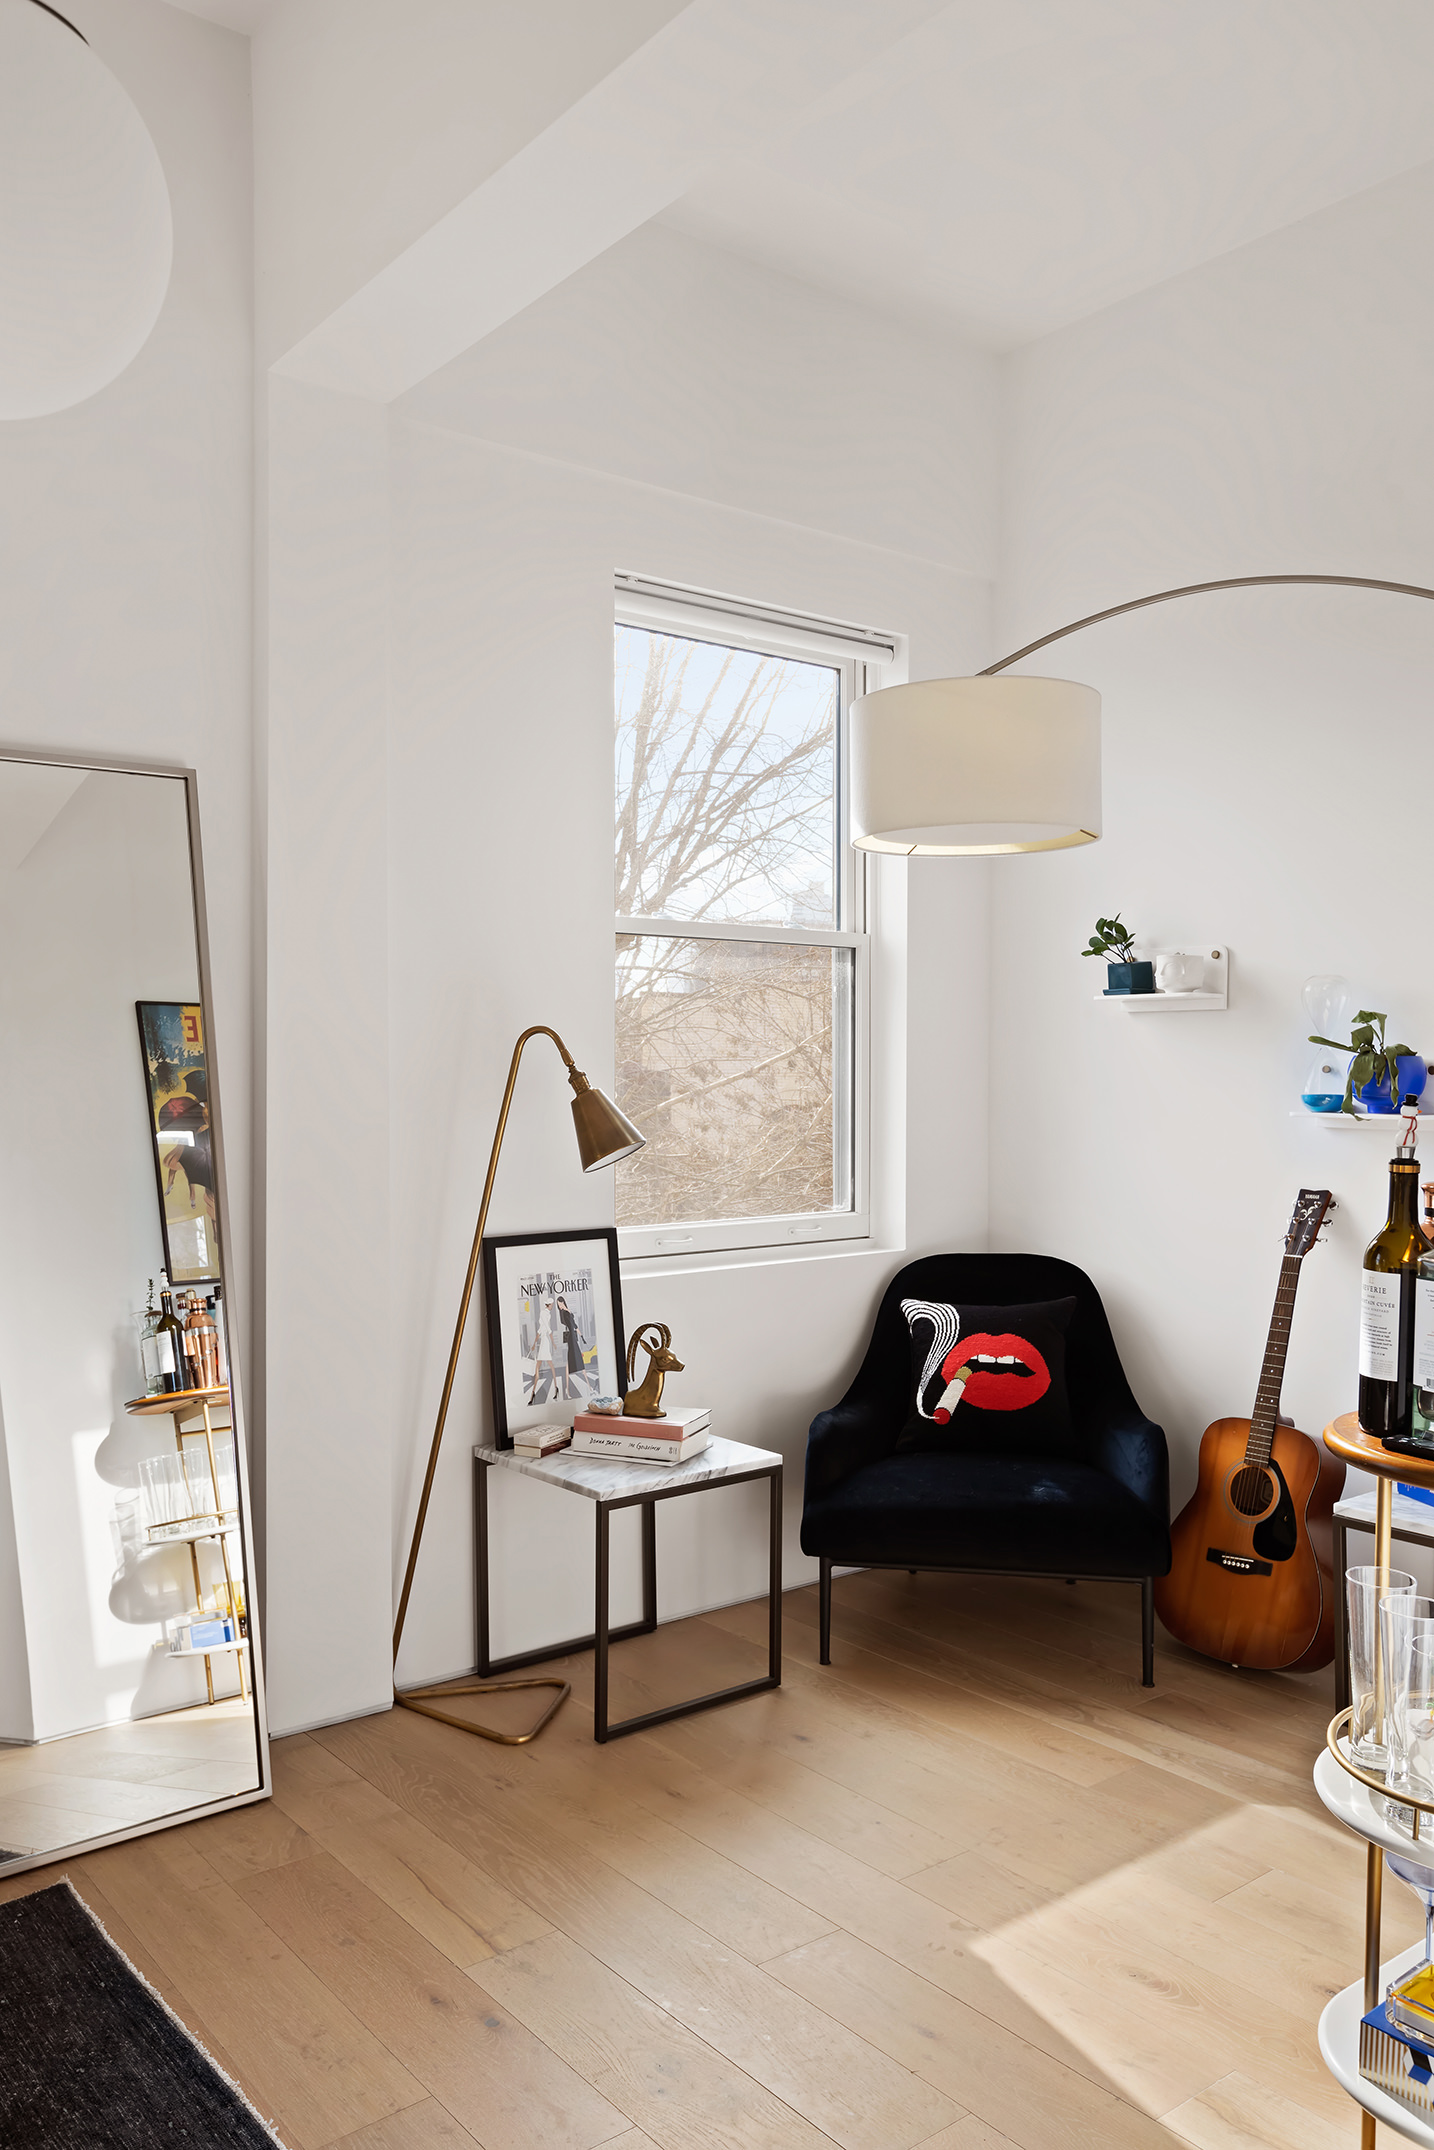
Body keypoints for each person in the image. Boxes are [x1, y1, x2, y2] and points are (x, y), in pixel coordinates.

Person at [556, 1295, 590, 1400]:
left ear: (563, 1302)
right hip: (570, 1338)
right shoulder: (562, 1313)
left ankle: (589, 1386)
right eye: (558, 1304)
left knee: (578, 1359)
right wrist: (565, 1310)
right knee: (569, 1363)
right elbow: (565, 1323)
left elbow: (575, 1325)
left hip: (574, 1338)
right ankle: (568, 1390)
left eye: (561, 1303)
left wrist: (582, 1336)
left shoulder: (568, 1311)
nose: (560, 1306)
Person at [528, 1295, 558, 1403]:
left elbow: (541, 1329)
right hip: (544, 1341)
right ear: (549, 1305)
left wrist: (535, 1343)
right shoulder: (544, 1314)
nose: (552, 1307)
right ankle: (535, 1392)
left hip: (545, 1342)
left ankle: (535, 1393)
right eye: (552, 1305)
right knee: (544, 1365)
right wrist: (553, 1343)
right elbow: (545, 1329)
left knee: (547, 1364)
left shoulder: (545, 1314)